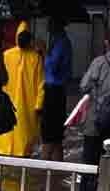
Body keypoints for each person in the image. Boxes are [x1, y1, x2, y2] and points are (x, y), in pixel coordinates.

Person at [0, 22, 45, 158]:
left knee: (13, 139)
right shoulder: (35, 57)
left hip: (20, 107)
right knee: (20, 140)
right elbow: (41, 84)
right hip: (21, 107)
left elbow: (40, 84)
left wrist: (38, 106)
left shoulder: (34, 57)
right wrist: (38, 106)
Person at [78, 29, 110, 191]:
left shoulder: (100, 62)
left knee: (90, 164)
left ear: (107, 42)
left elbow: (83, 86)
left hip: (96, 122)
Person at [41, 17, 73, 162]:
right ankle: (56, 175)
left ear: (56, 24)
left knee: (49, 136)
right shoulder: (59, 41)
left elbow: (52, 67)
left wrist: (43, 52)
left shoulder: (60, 43)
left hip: (54, 91)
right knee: (56, 138)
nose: (48, 24)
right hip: (57, 91)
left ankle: (44, 171)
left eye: (51, 21)